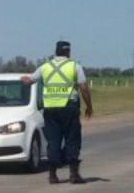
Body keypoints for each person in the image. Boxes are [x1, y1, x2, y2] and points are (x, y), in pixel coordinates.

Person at [22, 40, 93, 184]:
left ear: (56, 51)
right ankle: (74, 174)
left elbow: (29, 81)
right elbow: (84, 87)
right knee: (72, 140)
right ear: (68, 52)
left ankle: (52, 175)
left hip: (50, 110)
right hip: (69, 108)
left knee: (53, 141)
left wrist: (22, 79)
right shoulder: (75, 66)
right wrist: (89, 106)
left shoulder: (45, 67)